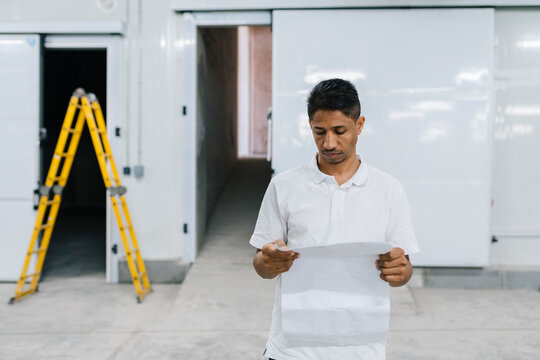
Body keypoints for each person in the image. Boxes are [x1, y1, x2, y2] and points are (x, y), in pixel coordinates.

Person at [250, 78, 420, 360]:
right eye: (320, 132)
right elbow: (261, 264)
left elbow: (403, 271)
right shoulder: (285, 186)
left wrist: (401, 272)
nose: (329, 143)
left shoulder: (388, 190)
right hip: (292, 348)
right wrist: (268, 263)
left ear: (360, 125)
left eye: (339, 131)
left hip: (362, 348)